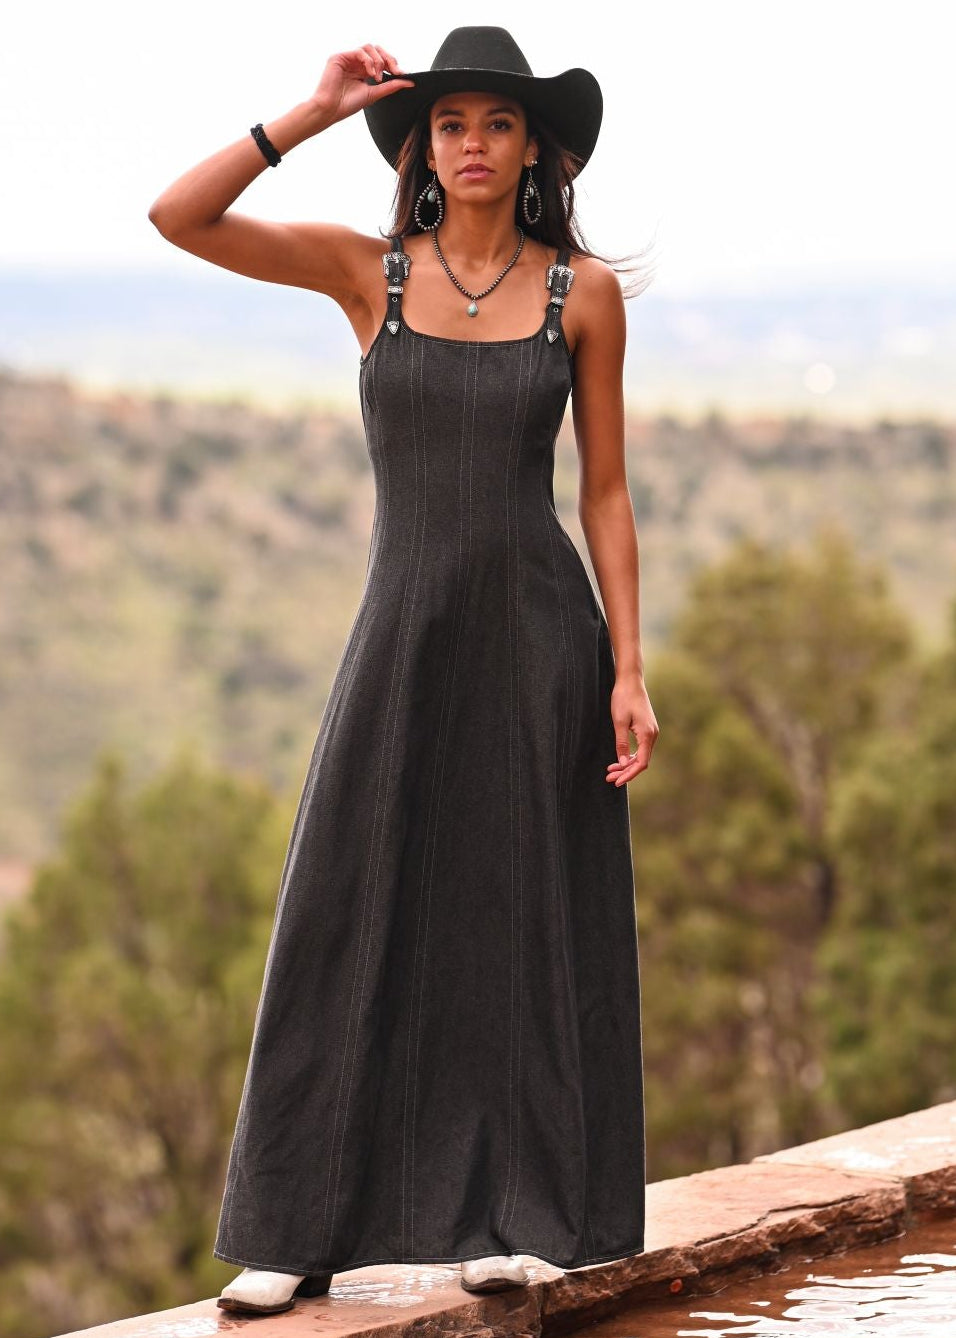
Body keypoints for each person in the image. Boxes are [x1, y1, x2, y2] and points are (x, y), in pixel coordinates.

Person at [148, 25, 660, 1318]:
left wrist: (629, 667)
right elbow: (178, 217)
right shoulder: (366, 273)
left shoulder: (581, 294)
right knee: (343, 911)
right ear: (422, 147)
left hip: (542, 642)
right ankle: (294, 1226)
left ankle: (515, 1214)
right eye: (450, 122)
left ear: (535, 147)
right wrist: (310, 114)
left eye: (498, 121)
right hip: (403, 633)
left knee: (520, 918)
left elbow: (604, 492)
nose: (472, 143)